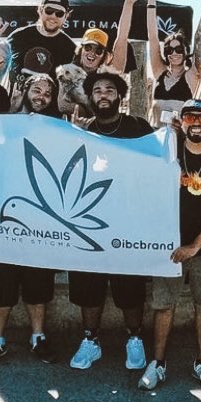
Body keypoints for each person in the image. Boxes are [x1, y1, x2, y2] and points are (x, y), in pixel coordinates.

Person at [139, 98, 201, 391]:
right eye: (190, 117)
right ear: (182, 121)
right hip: (169, 247)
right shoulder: (168, 153)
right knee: (163, 306)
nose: (196, 123)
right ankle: (157, 362)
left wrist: (194, 246)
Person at [0, 63, 62, 368]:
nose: (41, 95)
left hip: (40, 217)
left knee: (38, 282)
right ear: (26, 91)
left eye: (48, 93)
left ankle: (38, 336)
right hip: (2, 215)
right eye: (37, 89)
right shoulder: (3, 122)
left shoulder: (59, 127)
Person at [68, 72, 155, 371]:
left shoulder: (138, 127)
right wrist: (73, 138)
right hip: (89, 222)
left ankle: (134, 338)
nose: (103, 94)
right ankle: (90, 340)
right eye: (97, 91)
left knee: (129, 285)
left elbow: (161, 160)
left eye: (109, 90)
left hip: (128, 223)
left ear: (120, 96)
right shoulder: (82, 129)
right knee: (87, 284)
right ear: (90, 97)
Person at [145, 0, 201, 121]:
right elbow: (152, 36)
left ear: (185, 51)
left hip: (179, 138)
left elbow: (198, 38)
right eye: (169, 50)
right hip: (157, 136)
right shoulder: (159, 72)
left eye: (178, 49)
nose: (174, 53)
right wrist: (151, 1)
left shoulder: (191, 75)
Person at [0, 0, 77, 89]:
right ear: (40, 10)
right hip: (16, 101)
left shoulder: (70, 48)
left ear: (66, 16)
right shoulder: (18, 37)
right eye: (49, 10)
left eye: (59, 13)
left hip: (50, 103)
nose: (53, 16)